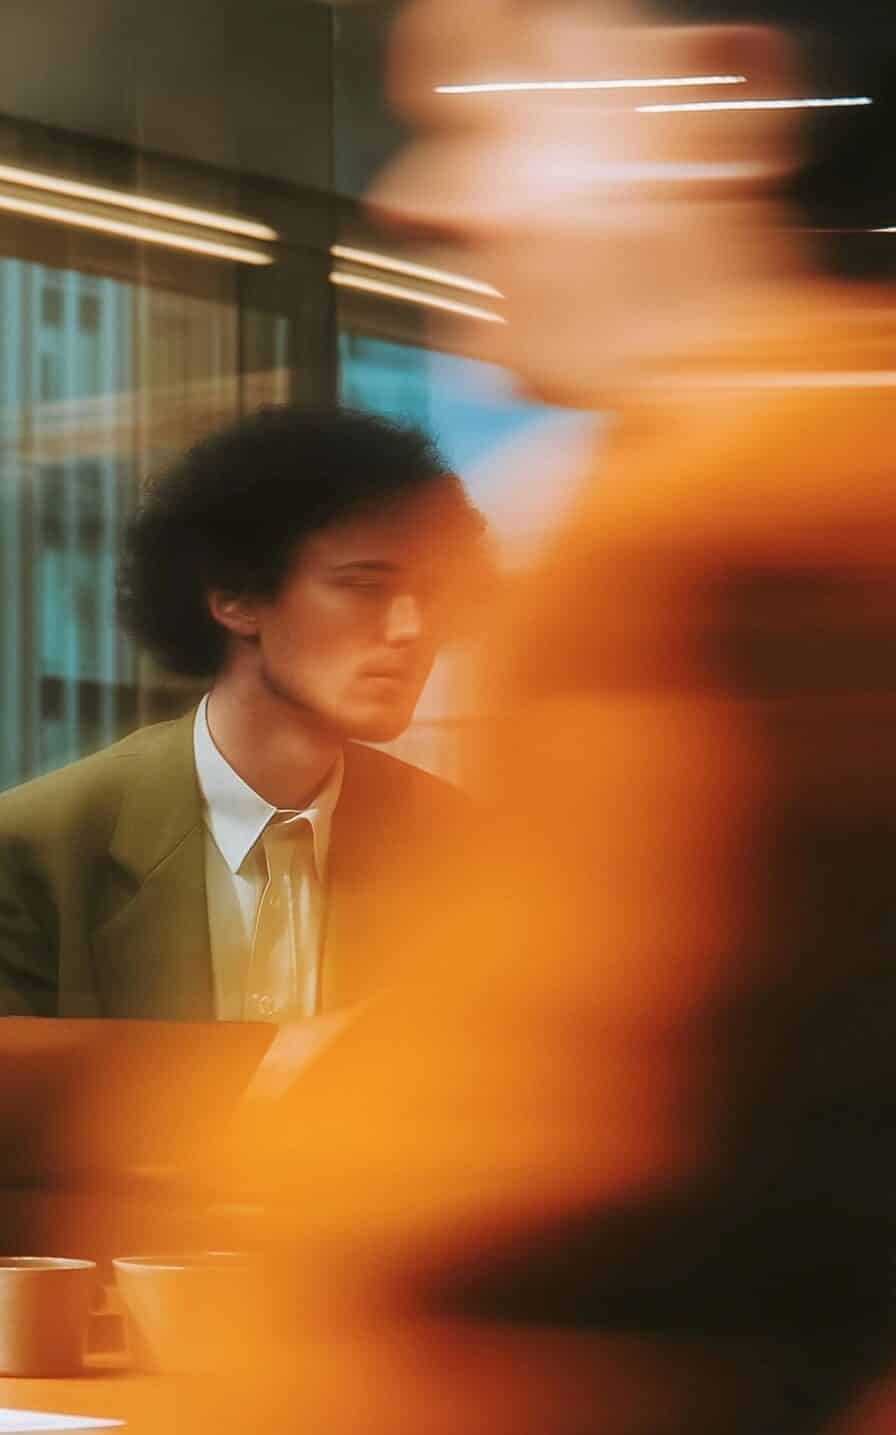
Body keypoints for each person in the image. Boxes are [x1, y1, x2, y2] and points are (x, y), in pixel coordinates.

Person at [219, 3, 896, 1433]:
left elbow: (455, 1257)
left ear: (717, 95)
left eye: (485, 109)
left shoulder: (732, 534)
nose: (419, 196)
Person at [0, 406, 486, 1020]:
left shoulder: (459, 847)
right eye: (365, 585)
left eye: (434, 594)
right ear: (234, 596)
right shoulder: (37, 851)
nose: (411, 629)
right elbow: (13, 1111)